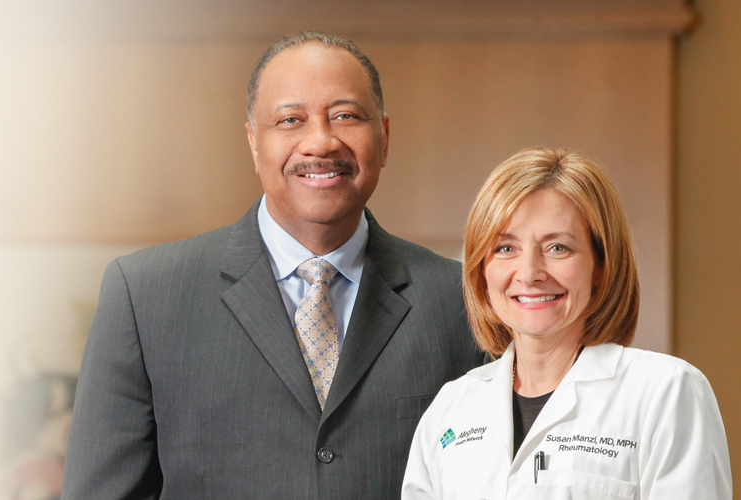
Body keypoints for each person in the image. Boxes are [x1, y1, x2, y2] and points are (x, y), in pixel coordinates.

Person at [62, 31, 485, 499]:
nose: (321, 142)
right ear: (253, 143)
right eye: (290, 120)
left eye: (345, 116)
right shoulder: (144, 295)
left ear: (383, 138)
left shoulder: (460, 299)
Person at [401, 147, 732, 499]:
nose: (529, 274)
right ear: (482, 270)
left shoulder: (666, 393)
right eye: (505, 249)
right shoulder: (452, 406)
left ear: (602, 266)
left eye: (558, 248)